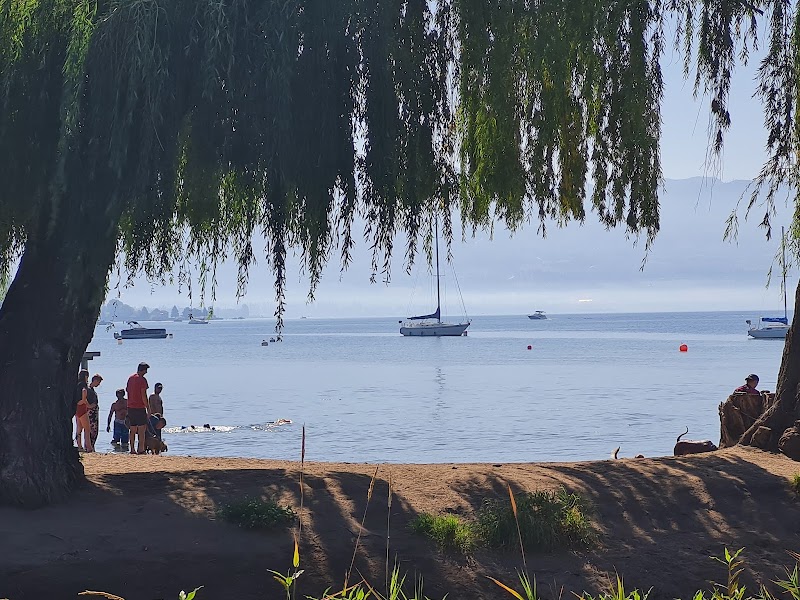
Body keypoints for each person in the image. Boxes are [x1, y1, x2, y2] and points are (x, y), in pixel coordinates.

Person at [126, 362, 150, 454]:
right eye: (146, 370)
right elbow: (144, 395)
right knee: (141, 429)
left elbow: (127, 390)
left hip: (130, 406)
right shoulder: (142, 380)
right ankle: (140, 448)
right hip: (139, 407)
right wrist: (148, 407)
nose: (146, 372)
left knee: (132, 429)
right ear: (143, 370)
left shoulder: (130, 378)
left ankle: (132, 449)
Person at [74, 370, 93, 452]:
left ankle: (79, 446)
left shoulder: (76, 384)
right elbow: (84, 391)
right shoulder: (83, 385)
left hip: (76, 407)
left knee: (79, 428)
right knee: (87, 428)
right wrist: (84, 400)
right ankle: (88, 446)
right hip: (82, 407)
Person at [87, 374, 103, 448]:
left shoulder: (91, 389)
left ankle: (91, 446)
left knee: (94, 431)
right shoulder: (89, 390)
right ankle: (90, 446)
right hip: (91, 413)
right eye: (98, 382)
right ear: (95, 381)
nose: (99, 384)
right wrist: (91, 406)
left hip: (93, 412)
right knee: (93, 430)